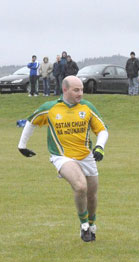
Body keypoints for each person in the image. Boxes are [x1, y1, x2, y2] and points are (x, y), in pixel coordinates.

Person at [17, 76, 109, 242]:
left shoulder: (87, 107)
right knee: (81, 187)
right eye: (76, 90)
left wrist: (100, 146)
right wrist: (22, 146)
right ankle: (84, 226)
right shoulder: (50, 108)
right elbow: (31, 122)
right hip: (62, 156)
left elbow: (102, 130)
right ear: (65, 90)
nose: (80, 93)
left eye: (81, 89)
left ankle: (91, 224)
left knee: (92, 194)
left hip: (86, 156)